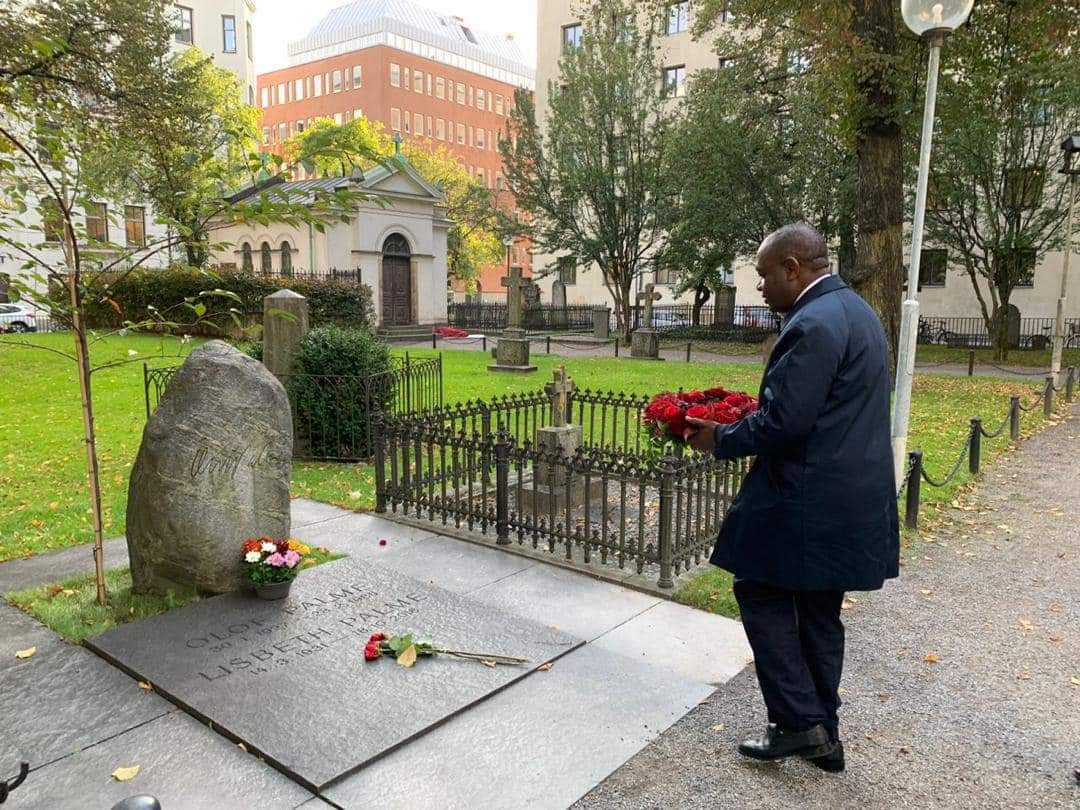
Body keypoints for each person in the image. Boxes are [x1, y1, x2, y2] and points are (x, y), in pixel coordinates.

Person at [685, 223, 899, 772]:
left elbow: (787, 421)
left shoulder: (812, 323)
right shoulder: (858, 312)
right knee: (819, 611)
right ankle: (824, 734)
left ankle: (797, 724)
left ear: (792, 268)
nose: (760, 288)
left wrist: (719, 437)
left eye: (763, 276)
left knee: (758, 588)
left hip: (808, 496)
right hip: (851, 492)